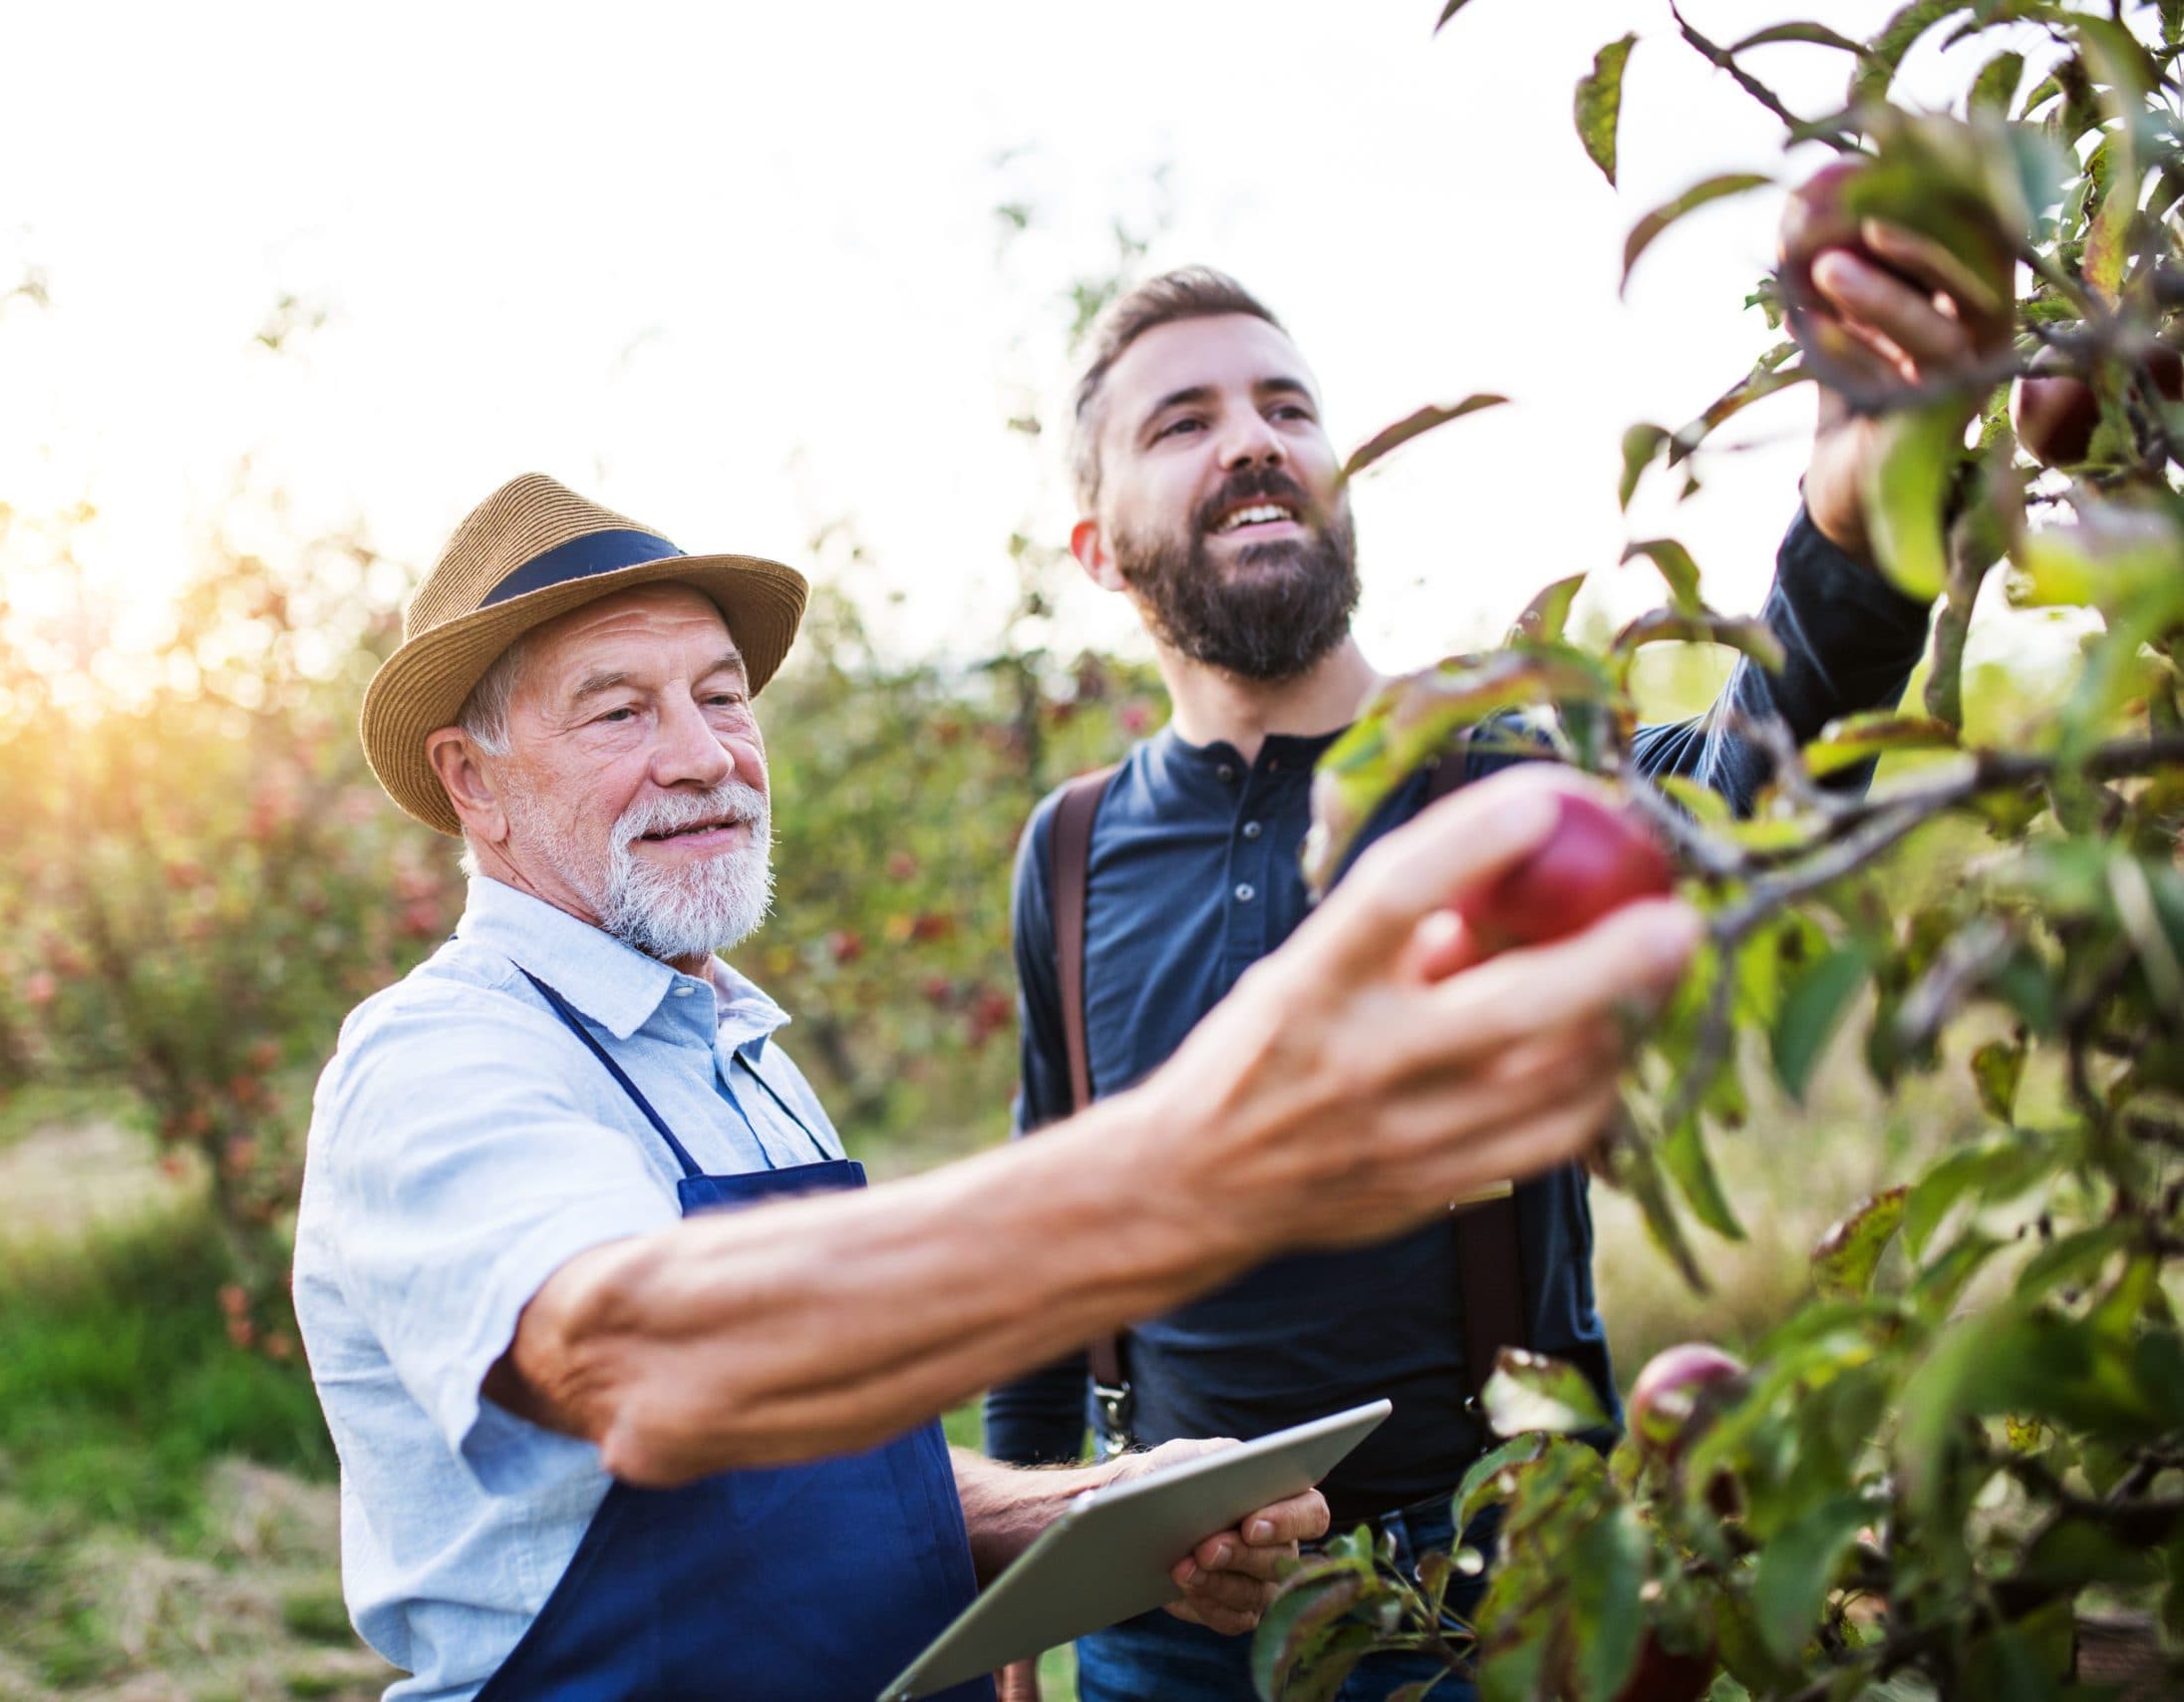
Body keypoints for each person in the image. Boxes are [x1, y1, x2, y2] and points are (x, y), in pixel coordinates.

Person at [292, 472, 1704, 1702]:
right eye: (619, 712)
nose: (705, 755)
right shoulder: (443, 1062)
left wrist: (1089, 1508)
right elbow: (645, 1370)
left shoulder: (737, 1056)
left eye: (722, 697)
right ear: (472, 783)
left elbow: (807, 1483)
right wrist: (1192, 1167)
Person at [985, 244, 2003, 1702]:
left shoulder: (1491, 781)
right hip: (1160, 1605)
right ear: (1098, 547)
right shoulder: (1067, 849)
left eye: (1287, 407)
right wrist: (1026, 1603)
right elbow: (1043, 1226)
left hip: (1483, 1587)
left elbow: (1741, 779)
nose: (1255, 438)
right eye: (1184, 420)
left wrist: (1847, 520)